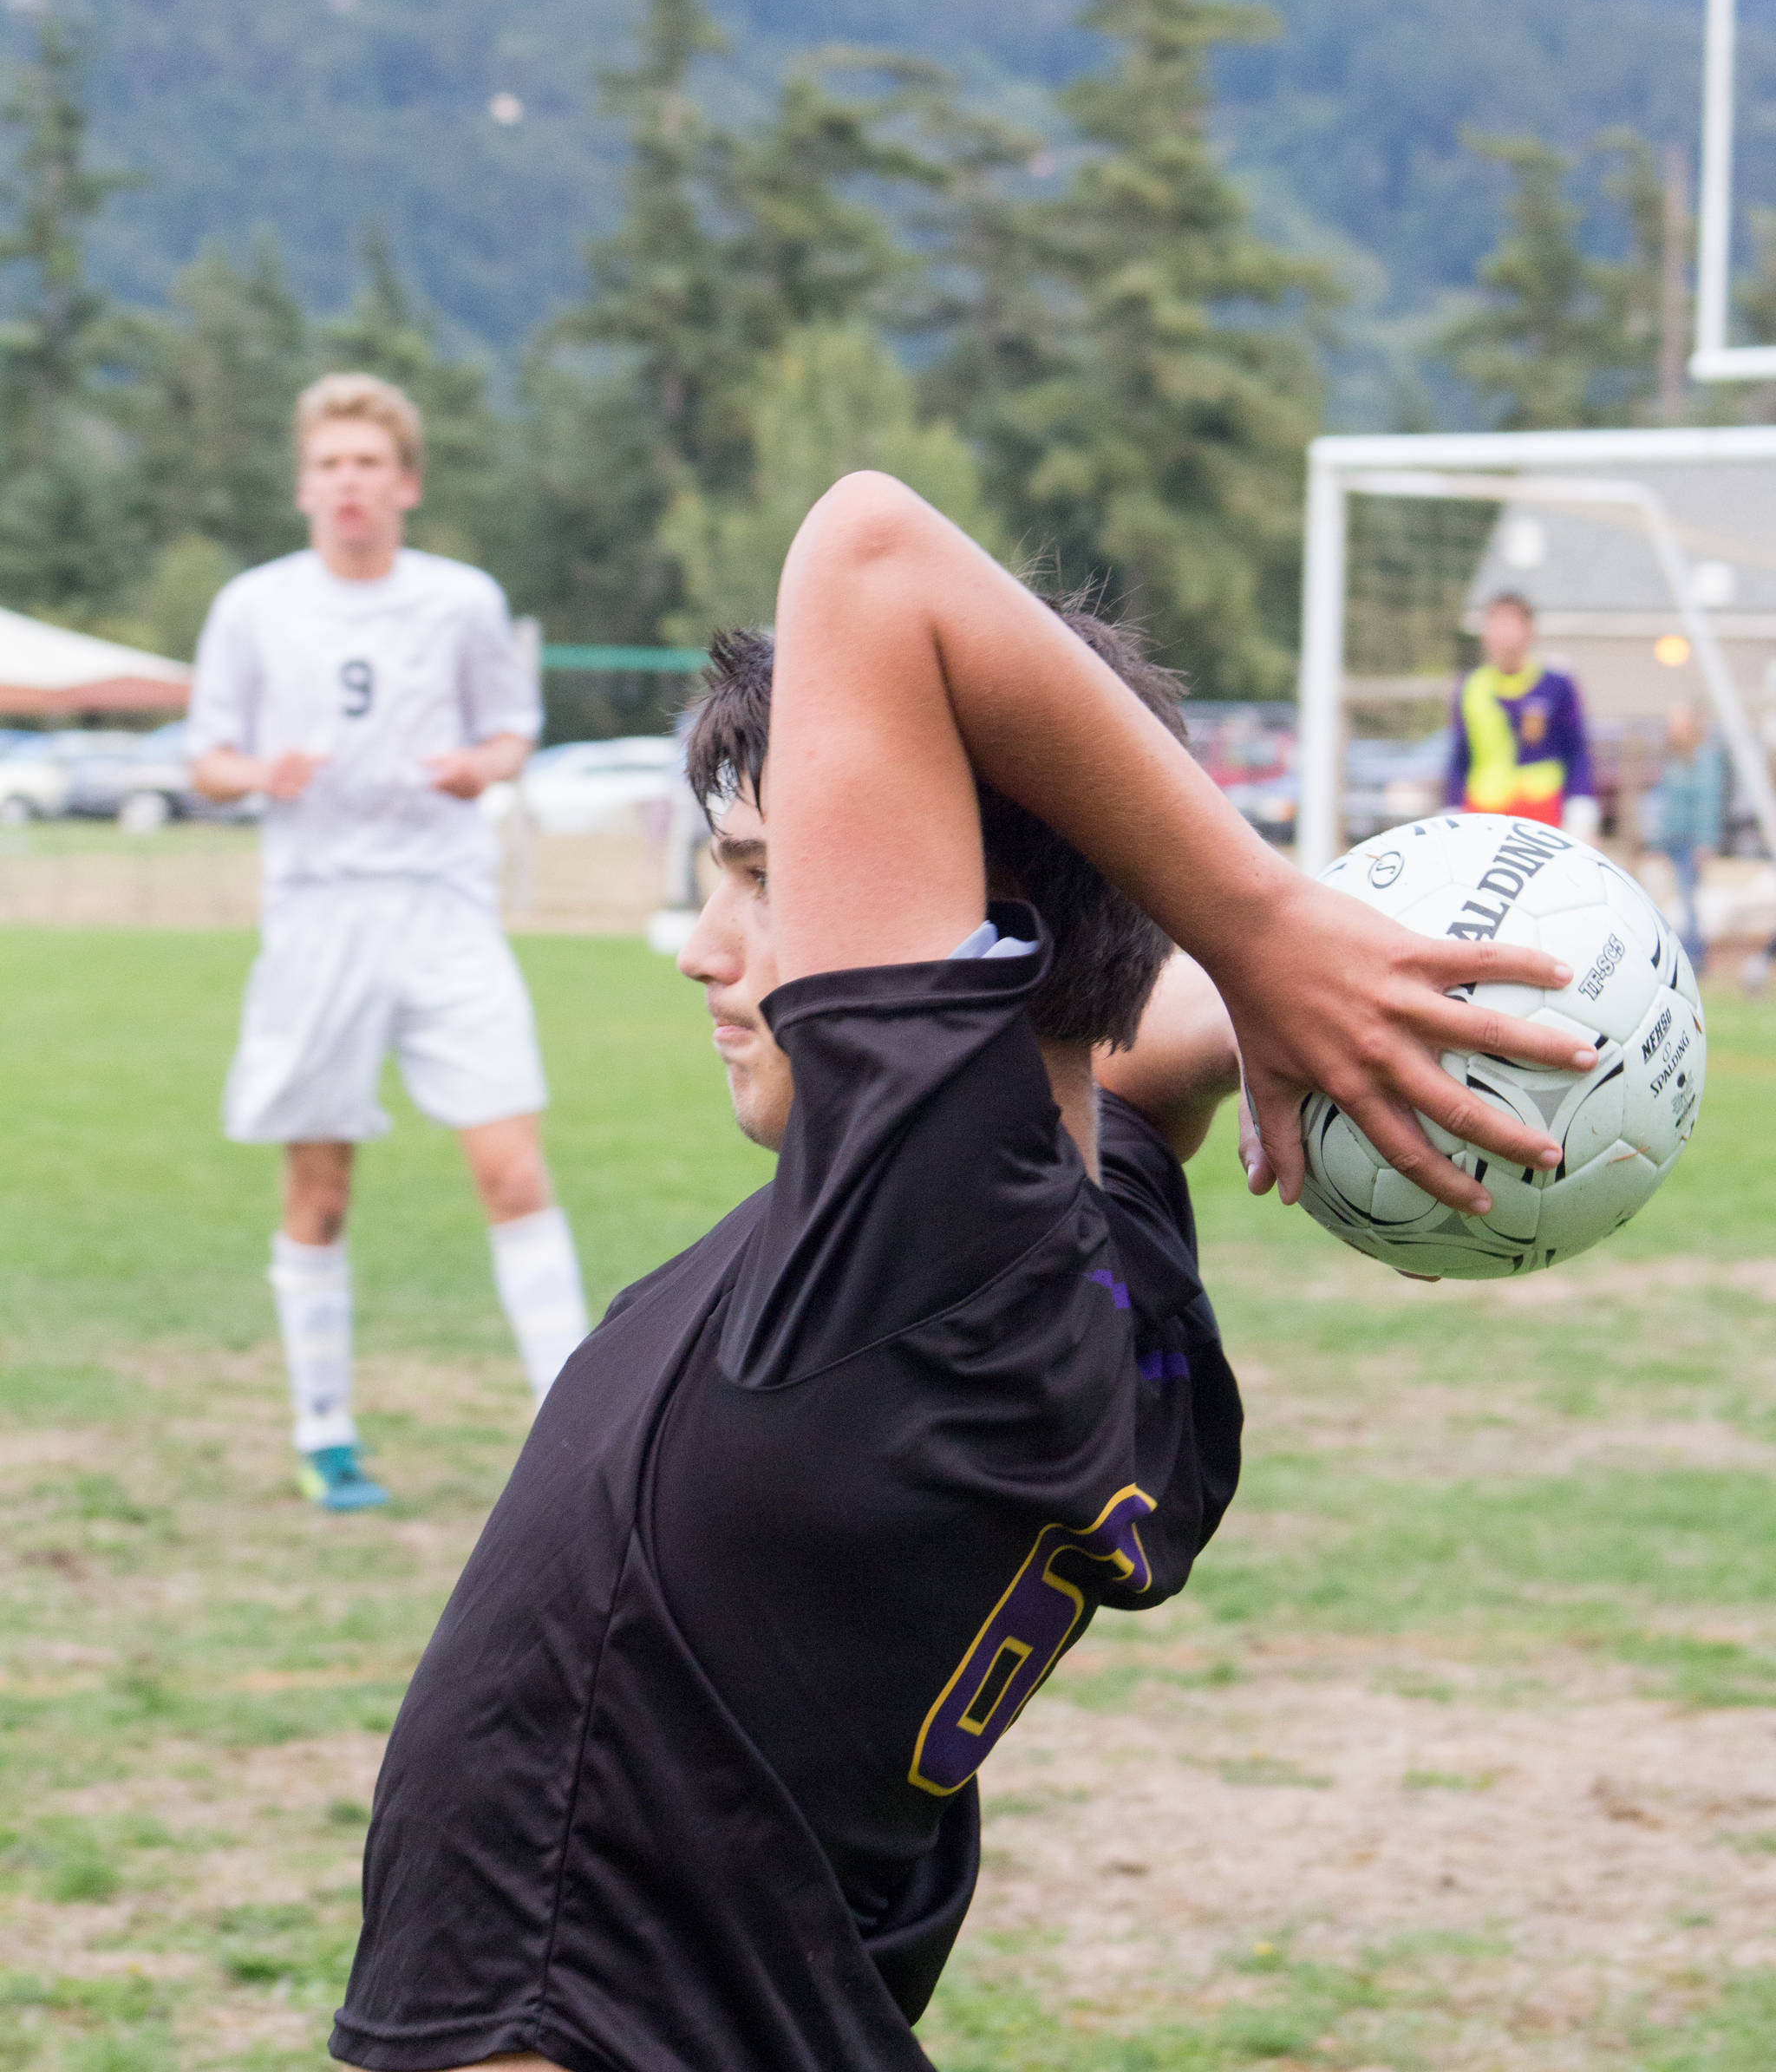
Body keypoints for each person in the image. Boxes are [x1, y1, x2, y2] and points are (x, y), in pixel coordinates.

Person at [329, 476, 1594, 2072]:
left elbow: (866, 550)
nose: (701, 946)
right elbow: (1140, 1063)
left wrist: (1267, 923)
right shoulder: (1070, 1276)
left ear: (956, 926)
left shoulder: (928, 1236)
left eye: (765, 873)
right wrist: (1315, 984)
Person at [187, 373, 589, 1514]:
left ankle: (573, 1420)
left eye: (369, 463)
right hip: (318, 915)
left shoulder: (460, 600)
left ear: (404, 483)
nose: (349, 483)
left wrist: (482, 764)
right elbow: (206, 759)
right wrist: (259, 773)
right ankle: (326, 1432)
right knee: (320, 1184)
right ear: (304, 484)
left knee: (510, 1165)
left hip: (443, 908)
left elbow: (513, 729)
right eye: (330, 465)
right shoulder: (255, 607)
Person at [1447, 589, 1597, 835]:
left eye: (1511, 624)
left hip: (1542, 810)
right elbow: (1459, 756)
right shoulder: (1470, 688)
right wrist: (1451, 806)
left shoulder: (1556, 685)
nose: (1504, 634)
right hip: (1484, 812)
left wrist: (1581, 806)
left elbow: (1575, 750)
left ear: (1529, 631)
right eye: (1496, 625)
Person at [1647, 705, 1723, 972]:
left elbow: (1707, 801)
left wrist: (1705, 841)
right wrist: (1656, 842)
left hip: (1691, 842)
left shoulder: (1704, 758)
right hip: (1671, 840)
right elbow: (1662, 802)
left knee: (1689, 901)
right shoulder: (1673, 758)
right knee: (1671, 899)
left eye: (1677, 723)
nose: (1672, 729)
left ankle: (1694, 959)